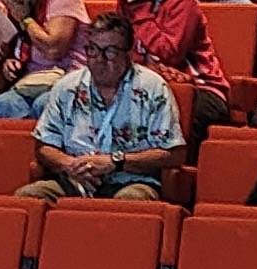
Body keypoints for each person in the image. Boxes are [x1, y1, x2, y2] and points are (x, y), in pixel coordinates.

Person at [18, 13, 184, 202]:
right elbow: (44, 146)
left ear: (128, 53)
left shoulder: (152, 87)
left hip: (130, 180)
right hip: (74, 180)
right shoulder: (67, 86)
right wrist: (70, 165)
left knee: (130, 200)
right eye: (93, 50)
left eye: (110, 51)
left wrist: (116, 162)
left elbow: (174, 153)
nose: (99, 59)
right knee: (27, 197)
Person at [116, 0, 227, 129]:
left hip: (199, 89)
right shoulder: (128, 3)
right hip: (147, 85)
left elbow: (168, 54)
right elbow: (121, 51)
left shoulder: (183, 1)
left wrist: (141, 11)